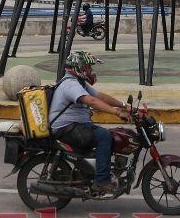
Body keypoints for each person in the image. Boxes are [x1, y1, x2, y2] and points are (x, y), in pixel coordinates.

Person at [49, 51, 131, 194]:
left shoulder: (79, 83)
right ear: (79, 68)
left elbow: (99, 96)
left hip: (76, 125)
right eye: (88, 67)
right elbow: (92, 101)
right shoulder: (70, 84)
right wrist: (117, 112)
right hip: (65, 128)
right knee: (104, 136)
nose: (91, 70)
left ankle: (94, 171)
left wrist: (124, 105)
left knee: (110, 135)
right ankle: (101, 181)